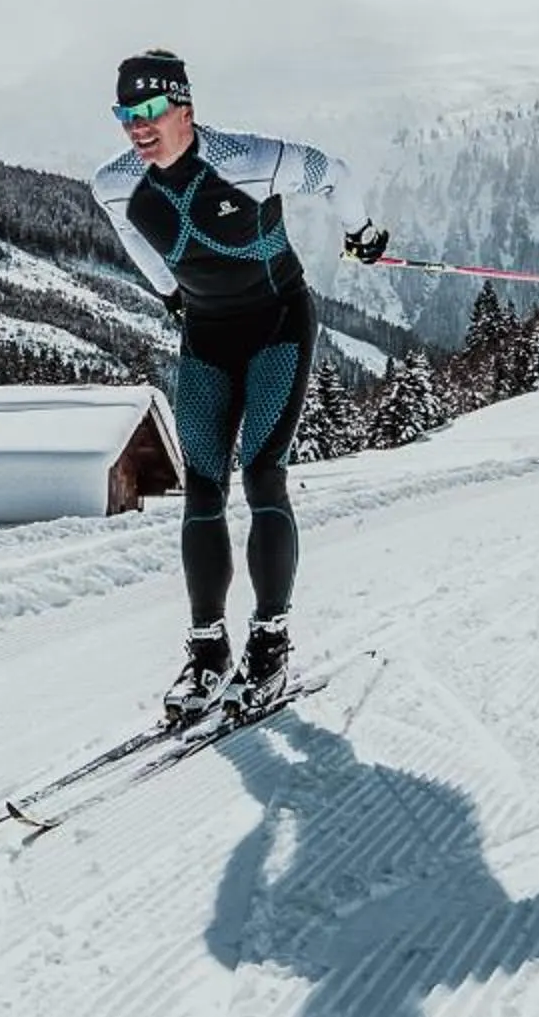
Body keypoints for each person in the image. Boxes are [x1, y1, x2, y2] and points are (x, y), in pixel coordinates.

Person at [91, 49, 387, 724]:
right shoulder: (114, 183)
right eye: (125, 114)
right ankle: (207, 651)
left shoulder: (250, 159)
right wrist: (171, 294)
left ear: (184, 108)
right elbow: (133, 237)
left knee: (260, 476)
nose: (138, 126)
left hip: (278, 323)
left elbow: (336, 175)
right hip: (207, 335)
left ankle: (270, 642)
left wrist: (360, 233)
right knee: (202, 486)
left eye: (150, 109)